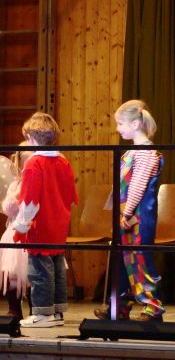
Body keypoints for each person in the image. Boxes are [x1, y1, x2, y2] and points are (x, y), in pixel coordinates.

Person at [94, 100, 164, 321]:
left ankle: (153, 306)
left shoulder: (145, 152)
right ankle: (119, 306)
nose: (118, 128)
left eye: (121, 124)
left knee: (139, 259)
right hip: (127, 216)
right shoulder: (133, 151)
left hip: (139, 217)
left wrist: (127, 212)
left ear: (135, 124)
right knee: (123, 261)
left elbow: (138, 185)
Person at [13, 113, 78, 328]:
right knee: (57, 267)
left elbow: (30, 201)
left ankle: (42, 313)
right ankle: (57, 311)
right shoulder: (63, 161)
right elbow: (70, 195)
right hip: (59, 222)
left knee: (39, 270)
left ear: (31, 138)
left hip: (41, 224)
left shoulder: (34, 163)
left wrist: (21, 225)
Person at [0, 143, 32, 321]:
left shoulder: (39, 183)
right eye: (24, 165)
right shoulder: (15, 185)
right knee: (12, 273)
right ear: (19, 167)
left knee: (33, 274)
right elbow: (7, 208)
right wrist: (18, 193)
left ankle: (36, 310)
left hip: (33, 232)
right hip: (14, 233)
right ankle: (14, 309)